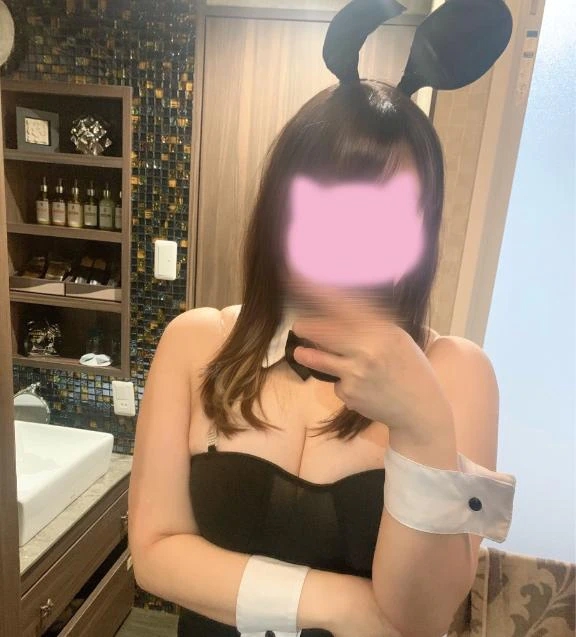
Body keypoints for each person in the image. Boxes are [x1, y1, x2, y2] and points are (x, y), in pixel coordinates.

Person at [128, 1, 517, 636]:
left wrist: (422, 425)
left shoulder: (457, 374)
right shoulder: (196, 343)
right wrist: (346, 606)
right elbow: (154, 551)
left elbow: (422, 618)